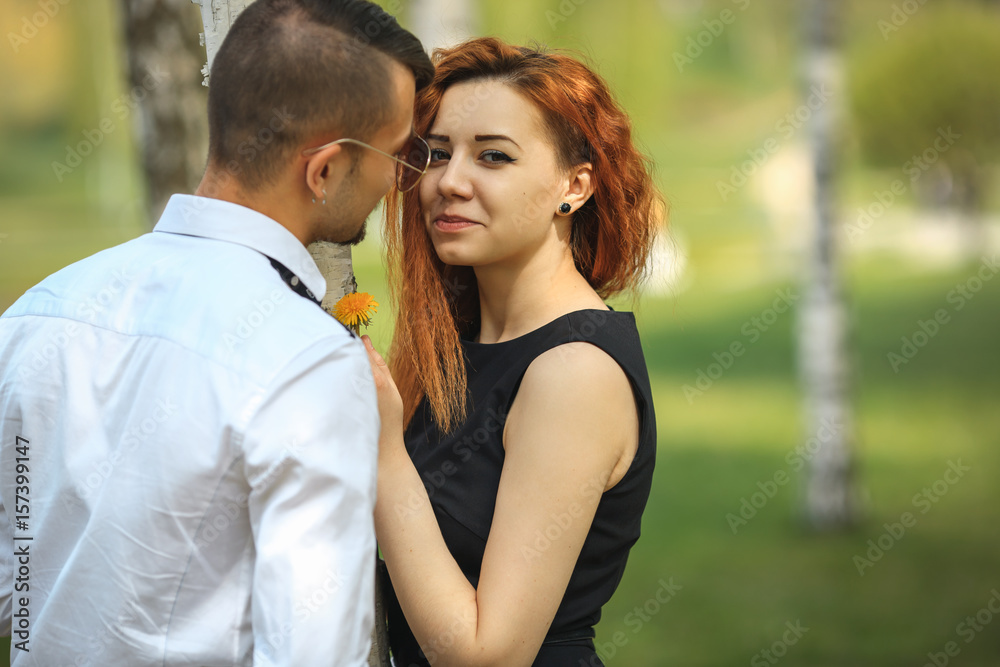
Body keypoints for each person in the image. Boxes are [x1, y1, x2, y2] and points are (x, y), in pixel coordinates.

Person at [0, 1, 432, 664]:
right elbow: (313, 652)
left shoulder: (39, 311)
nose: (401, 180)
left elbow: (13, 583)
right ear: (324, 170)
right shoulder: (308, 362)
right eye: (399, 155)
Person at [363, 37, 662, 667]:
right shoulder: (452, 342)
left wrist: (385, 454)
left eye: (493, 157)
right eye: (438, 155)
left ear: (573, 187)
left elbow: (488, 657)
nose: (450, 182)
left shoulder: (575, 372)